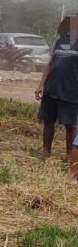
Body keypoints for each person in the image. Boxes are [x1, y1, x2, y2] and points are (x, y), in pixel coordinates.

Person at [36, 15, 78, 161]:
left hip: (71, 91)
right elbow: (50, 65)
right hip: (51, 89)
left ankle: (69, 156)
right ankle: (46, 152)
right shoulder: (60, 42)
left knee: (70, 126)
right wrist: (41, 84)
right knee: (48, 122)